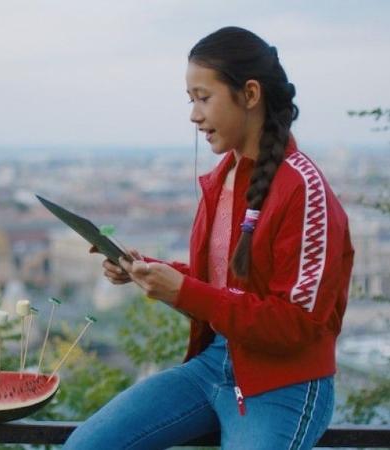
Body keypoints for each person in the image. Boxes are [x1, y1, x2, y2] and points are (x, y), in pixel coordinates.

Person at [64, 26, 353, 450]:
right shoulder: (223, 179)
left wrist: (182, 291)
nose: (194, 115)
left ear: (250, 94)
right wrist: (152, 273)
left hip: (285, 382)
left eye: (204, 97)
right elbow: (222, 288)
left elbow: (299, 324)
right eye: (191, 100)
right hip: (215, 364)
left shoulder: (303, 189)